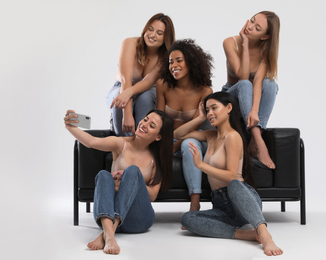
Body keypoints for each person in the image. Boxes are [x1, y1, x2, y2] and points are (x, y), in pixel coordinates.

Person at [174, 92, 283, 256]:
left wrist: (201, 165)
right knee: (187, 219)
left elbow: (232, 176)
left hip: (242, 199)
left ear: (229, 108)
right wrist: (199, 117)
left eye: (214, 108)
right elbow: (178, 135)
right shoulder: (210, 136)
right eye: (207, 110)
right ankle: (244, 234)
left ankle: (264, 233)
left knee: (233, 184)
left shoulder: (233, 136)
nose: (210, 113)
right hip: (221, 206)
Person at [64, 109, 173, 255]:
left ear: (159, 136)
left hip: (138, 220)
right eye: (145, 119)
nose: (144, 124)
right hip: (106, 216)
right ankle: (109, 235)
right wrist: (71, 127)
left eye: (152, 125)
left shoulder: (156, 158)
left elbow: (152, 195)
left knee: (133, 171)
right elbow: (91, 142)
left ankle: (106, 235)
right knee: (103, 175)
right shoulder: (121, 143)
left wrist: (133, 178)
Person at [157, 39, 214, 212]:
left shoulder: (205, 91)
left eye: (179, 60)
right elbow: (159, 119)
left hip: (193, 136)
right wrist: (164, 143)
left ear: (191, 61)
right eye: (170, 62)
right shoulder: (163, 85)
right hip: (168, 135)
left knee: (189, 145)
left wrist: (173, 146)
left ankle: (195, 202)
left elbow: (195, 128)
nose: (174, 65)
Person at [222, 11, 280, 169]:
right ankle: (260, 145)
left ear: (265, 36)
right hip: (230, 97)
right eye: (252, 21)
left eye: (257, 27)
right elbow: (243, 76)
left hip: (250, 98)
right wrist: (245, 45)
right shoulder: (230, 42)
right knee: (246, 84)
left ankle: (254, 139)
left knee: (271, 84)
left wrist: (254, 110)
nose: (250, 27)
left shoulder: (265, 52)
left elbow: (259, 82)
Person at [107, 13, 175, 136]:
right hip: (121, 86)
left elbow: (148, 81)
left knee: (146, 96)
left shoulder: (165, 55)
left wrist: (129, 93)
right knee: (118, 95)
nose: (152, 35)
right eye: (150, 29)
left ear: (166, 37)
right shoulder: (130, 43)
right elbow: (125, 79)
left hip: (147, 90)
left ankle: (142, 143)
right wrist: (127, 115)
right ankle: (122, 143)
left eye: (159, 33)